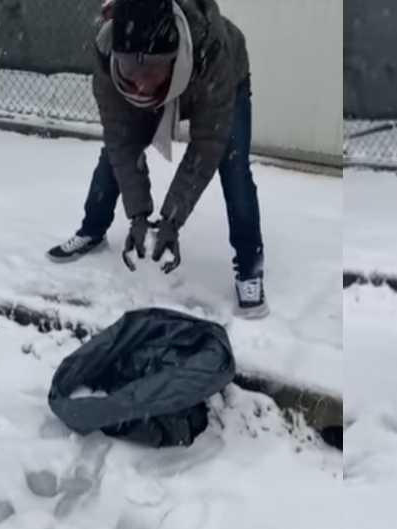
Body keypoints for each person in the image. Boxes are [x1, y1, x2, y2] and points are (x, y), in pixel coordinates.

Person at [45, 0, 267, 319]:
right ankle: (92, 229)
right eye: (131, 69)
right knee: (114, 153)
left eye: (151, 70)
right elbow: (122, 143)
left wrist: (171, 221)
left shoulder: (212, 50)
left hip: (221, 79)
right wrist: (138, 216)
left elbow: (206, 147)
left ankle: (250, 266)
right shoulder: (107, 55)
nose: (141, 83)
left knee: (234, 169)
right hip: (175, 76)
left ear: (174, 56)